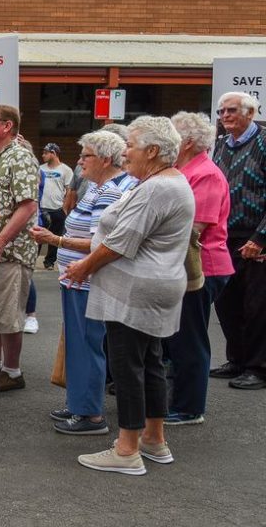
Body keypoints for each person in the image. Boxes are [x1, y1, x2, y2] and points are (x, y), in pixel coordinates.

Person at [62, 116, 195, 475]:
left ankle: (126, 449)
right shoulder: (166, 181)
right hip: (154, 285)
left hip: (135, 289)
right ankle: (154, 438)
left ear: (152, 151)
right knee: (148, 362)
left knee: (127, 366)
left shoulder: (155, 188)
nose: (124, 153)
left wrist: (83, 266)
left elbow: (120, 242)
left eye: (131, 146)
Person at [32, 130, 134, 435]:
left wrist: (56, 239)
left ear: (104, 159)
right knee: (78, 344)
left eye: (85, 155)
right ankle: (79, 402)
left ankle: (89, 413)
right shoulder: (97, 186)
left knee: (86, 344)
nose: (79, 162)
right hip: (76, 278)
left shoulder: (112, 191)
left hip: (88, 280)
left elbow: (98, 242)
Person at [159, 111, 234, 423]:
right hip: (188, 266)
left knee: (190, 339)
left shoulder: (206, 174)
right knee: (178, 338)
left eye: (173, 136)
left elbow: (194, 227)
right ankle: (179, 400)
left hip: (203, 267)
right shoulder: (187, 169)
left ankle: (190, 408)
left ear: (187, 142)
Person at [0, 104, 40, 392]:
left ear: (7, 126)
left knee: (8, 314)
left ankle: (13, 372)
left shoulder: (20, 157)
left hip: (12, 250)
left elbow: (27, 205)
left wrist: (0, 240)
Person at [210, 92, 266, 390]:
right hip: (224, 235)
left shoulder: (264, 142)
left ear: (250, 112)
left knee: (256, 305)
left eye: (231, 110)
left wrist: (261, 238)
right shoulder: (220, 146)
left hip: (256, 238)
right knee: (226, 300)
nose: (224, 116)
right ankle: (237, 358)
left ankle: (257, 367)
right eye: (221, 112)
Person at [39, 143, 74, 269]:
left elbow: (69, 190)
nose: (43, 155)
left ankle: (49, 262)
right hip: (42, 208)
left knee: (55, 237)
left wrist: (65, 208)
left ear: (53, 153)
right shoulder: (41, 168)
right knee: (38, 235)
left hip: (57, 209)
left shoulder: (66, 170)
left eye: (46, 153)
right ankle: (33, 260)